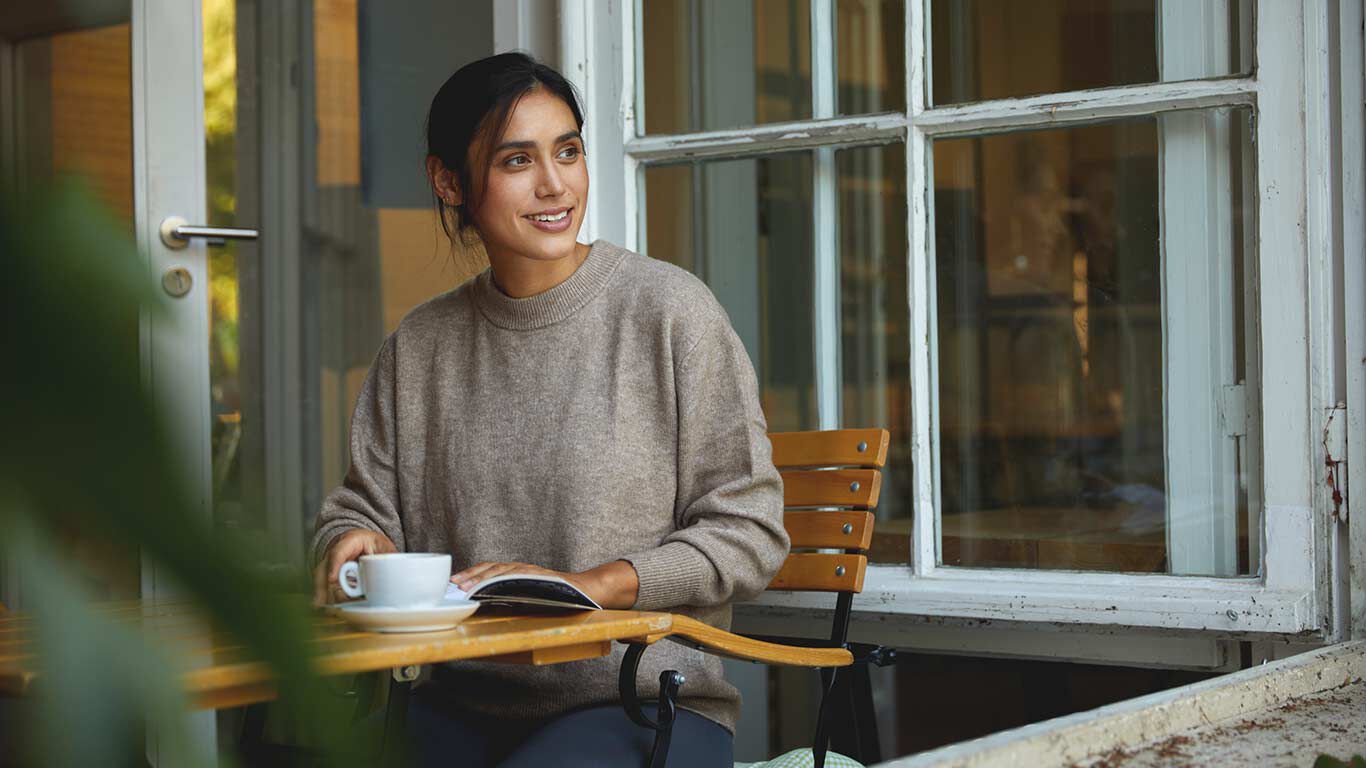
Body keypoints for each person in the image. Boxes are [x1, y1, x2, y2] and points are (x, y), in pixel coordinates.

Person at [310, 52, 789, 767]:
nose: (554, 184)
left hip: (638, 703)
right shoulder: (420, 346)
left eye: (568, 151)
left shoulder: (670, 314)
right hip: (457, 703)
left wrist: (597, 585)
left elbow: (751, 532)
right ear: (449, 181)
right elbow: (360, 511)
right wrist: (352, 545)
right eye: (516, 160)